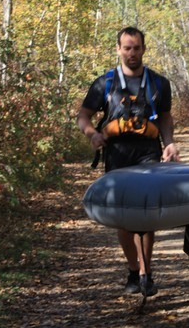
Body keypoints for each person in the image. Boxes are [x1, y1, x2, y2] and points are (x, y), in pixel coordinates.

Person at [77, 26, 180, 297]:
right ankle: (133, 270)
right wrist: (93, 134)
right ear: (118, 49)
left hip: (148, 152)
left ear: (144, 49)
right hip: (117, 152)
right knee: (124, 215)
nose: (132, 53)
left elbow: (165, 117)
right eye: (127, 48)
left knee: (146, 213)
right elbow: (83, 116)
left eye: (136, 48)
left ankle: (146, 273)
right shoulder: (105, 83)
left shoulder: (159, 83)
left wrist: (169, 142)